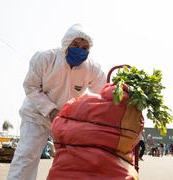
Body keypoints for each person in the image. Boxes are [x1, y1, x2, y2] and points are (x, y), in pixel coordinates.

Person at [7, 24, 106, 180]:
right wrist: (51, 110)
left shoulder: (91, 68)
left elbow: (105, 90)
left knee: (73, 160)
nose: (80, 49)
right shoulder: (45, 58)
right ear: (66, 43)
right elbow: (30, 86)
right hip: (36, 115)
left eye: (84, 47)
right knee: (27, 155)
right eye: (75, 45)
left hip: (66, 120)